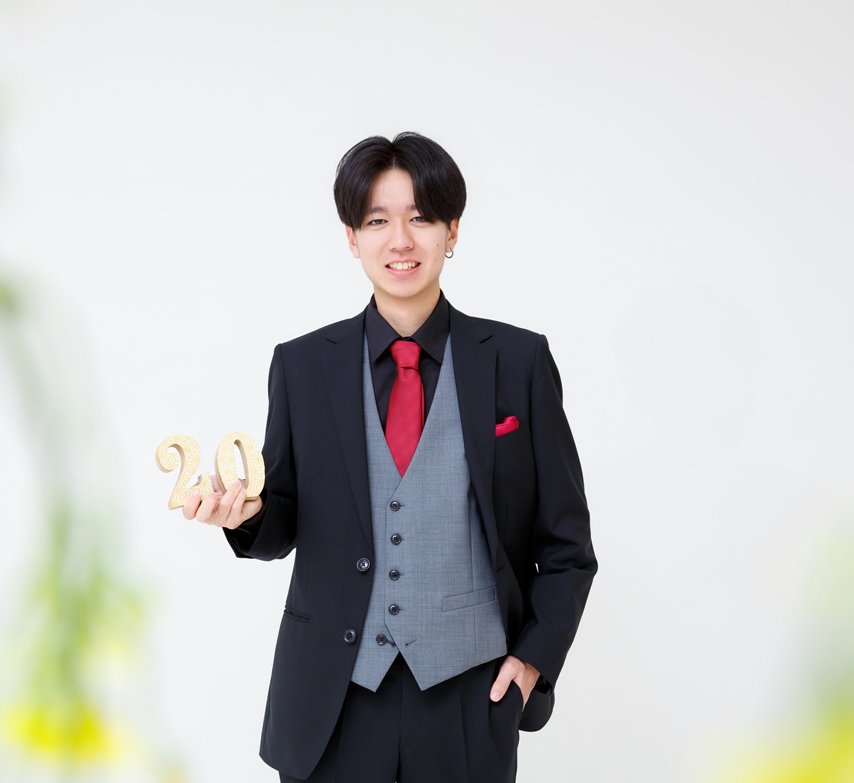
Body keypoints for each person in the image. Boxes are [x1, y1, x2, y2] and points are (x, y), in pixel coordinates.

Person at [182, 132, 597, 783]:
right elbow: (282, 515)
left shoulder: (518, 361)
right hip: (334, 698)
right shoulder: (302, 366)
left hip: (469, 697)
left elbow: (568, 545)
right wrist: (246, 513)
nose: (400, 240)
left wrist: (532, 662)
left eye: (421, 217)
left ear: (452, 230)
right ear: (352, 237)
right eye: (377, 220)